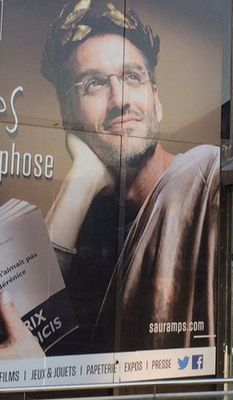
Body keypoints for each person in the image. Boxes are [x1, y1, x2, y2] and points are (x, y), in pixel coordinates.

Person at [0, 0, 219, 357]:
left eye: (132, 77)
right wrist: (81, 180)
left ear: (155, 99)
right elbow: (19, 335)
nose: (120, 100)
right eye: (95, 85)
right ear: (68, 119)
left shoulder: (207, 176)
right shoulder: (89, 224)